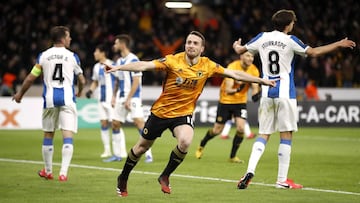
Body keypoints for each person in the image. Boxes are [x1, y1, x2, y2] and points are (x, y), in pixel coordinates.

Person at [104, 31, 276, 197]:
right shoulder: (172, 61)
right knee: (141, 147)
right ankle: (124, 176)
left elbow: (234, 73)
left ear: (202, 49)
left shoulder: (208, 65)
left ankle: (165, 176)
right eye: (189, 42)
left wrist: (261, 80)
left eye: (195, 43)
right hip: (161, 112)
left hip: (183, 114)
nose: (191, 45)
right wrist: (118, 67)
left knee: (185, 141)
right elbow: (144, 65)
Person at [233, 9, 356, 190]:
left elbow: (240, 50)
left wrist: (237, 45)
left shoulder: (262, 37)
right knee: (286, 134)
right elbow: (313, 52)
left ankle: (250, 170)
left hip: (267, 92)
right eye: (293, 22)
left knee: (264, 134)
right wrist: (338, 44)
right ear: (288, 25)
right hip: (285, 94)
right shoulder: (291, 40)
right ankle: (282, 180)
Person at [12, 26, 86, 181]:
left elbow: (31, 78)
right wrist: (79, 90)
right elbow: (81, 79)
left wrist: (20, 94)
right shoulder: (73, 56)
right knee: (67, 134)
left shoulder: (43, 56)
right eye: (69, 36)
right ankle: (63, 173)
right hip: (67, 99)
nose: (70, 39)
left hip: (50, 99)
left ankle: (48, 171)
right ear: (63, 38)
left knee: (48, 134)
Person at [195, 51, 260, 163]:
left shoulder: (254, 69)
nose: (250, 58)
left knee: (241, 128)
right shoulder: (232, 67)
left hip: (240, 102)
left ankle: (232, 156)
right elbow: (228, 89)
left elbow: (255, 86)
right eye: (248, 56)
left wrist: (255, 94)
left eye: (252, 56)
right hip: (226, 101)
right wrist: (238, 89)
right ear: (241, 57)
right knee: (216, 130)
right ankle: (202, 144)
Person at [104, 34, 153, 163]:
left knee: (139, 123)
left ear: (122, 44)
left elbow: (136, 81)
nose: (114, 45)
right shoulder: (119, 61)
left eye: (116, 43)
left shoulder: (134, 59)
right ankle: (118, 154)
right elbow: (117, 81)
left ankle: (148, 154)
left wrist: (129, 98)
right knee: (115, 124)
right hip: (121, 96)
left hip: (133, 97)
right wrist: (114, 96)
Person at [86, 44, 117, 158]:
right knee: (103, 123)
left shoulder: (112, 64)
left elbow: (118, 80)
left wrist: (115, 96)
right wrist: (90, 90)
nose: (94, 53)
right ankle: (107, 150)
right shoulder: (95, 67)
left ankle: (118, 151)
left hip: (110, 100)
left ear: (103, 53)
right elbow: (95, 81)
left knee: (115, 124)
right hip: (100, 99)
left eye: (96, 51)